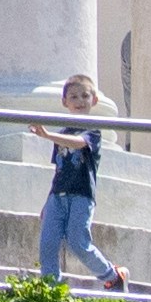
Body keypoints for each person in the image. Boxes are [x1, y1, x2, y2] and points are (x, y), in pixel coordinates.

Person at [36, 76, 133, 290]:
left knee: (78, 241)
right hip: (57, 196)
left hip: (81, 196)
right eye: (73, 96)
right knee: (48, 244)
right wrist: (47, 201)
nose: (79, 101)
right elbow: (59, 169)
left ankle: (112, 275)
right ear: (65, 102)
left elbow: (80, 144)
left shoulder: (93, 131)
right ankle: (51, 288)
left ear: (94, 100)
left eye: (85, 96)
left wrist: (48, 135)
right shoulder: (62, 134)